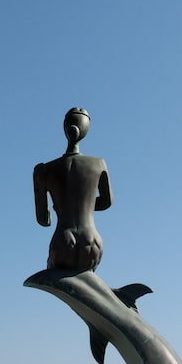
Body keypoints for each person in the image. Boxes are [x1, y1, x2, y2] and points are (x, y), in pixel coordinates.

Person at [33, 108, 112, 271]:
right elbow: (106, 202)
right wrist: (85, 204)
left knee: (51, 278)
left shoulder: (44, 170)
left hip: (63, 240)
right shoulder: (99, 164)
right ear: (85, 131)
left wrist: (62, 205)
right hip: (92, 240)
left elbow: (43, 220)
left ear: (65, 128)